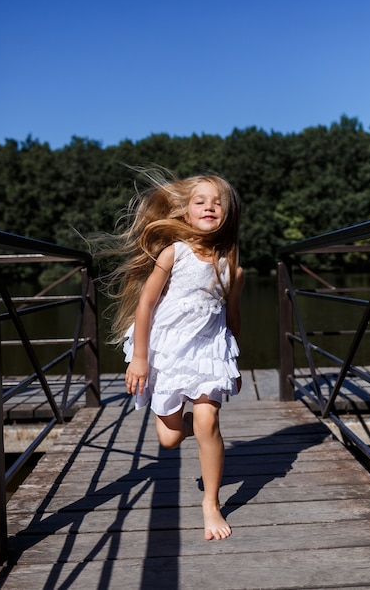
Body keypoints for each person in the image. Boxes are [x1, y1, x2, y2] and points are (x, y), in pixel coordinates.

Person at [106, 168, 244, 541]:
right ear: (186, 212)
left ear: (227, 214)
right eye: (200, 201)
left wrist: (232, 363)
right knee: (168, 438)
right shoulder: (174, 253)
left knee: (207, 421)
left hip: (207, 353)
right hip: (166, 351)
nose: (209, 206)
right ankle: (188, 428)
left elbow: (232, 321)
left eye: (218, 202)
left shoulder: (233, 268)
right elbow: (146, 304)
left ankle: (211, 503)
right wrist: (139, 357)